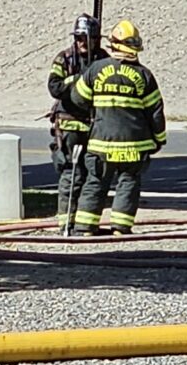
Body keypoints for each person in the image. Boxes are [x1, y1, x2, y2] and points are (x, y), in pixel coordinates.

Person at [65, 19, 167, 235]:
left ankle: (85, 227)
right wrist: (159, 139)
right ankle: (120, 227)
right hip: (135, 145)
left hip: (101, 142)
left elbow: (77, 98)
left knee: (95, 182)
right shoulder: (144, 75)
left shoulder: (96, 69)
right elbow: (155, 112)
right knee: (128, 183)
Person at [46, 15, 102, 234]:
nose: (81, 42)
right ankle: (65, 223)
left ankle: (85, 224)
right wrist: (78, 79)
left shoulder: (103, 60)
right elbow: (54, 86)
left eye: (85, 38)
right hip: (69, 127)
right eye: (78, 38)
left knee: (93, 174)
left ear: (96, 39)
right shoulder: (64, 59)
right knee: (71, 173)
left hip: (94, 125)